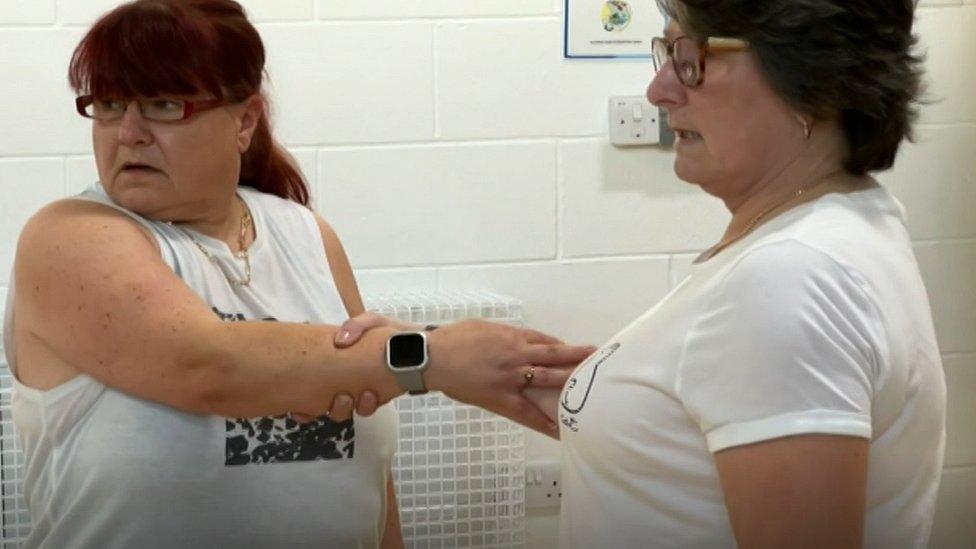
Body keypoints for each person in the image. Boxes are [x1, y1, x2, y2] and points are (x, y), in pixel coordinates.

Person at [340, 0, 947, 547]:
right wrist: (430, 357)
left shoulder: (791, 279)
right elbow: (676, 441)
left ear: (815, 79)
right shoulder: (834, 229)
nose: (658, 91)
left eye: (691, 58)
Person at [1, 1, 594, 548]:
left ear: (244, 119)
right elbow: (209, 365)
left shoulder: (305, 236)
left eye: (162, 104)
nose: (127, 131)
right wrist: (432, 357)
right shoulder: (69, 236)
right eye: (107, 105)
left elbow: (369, 473)